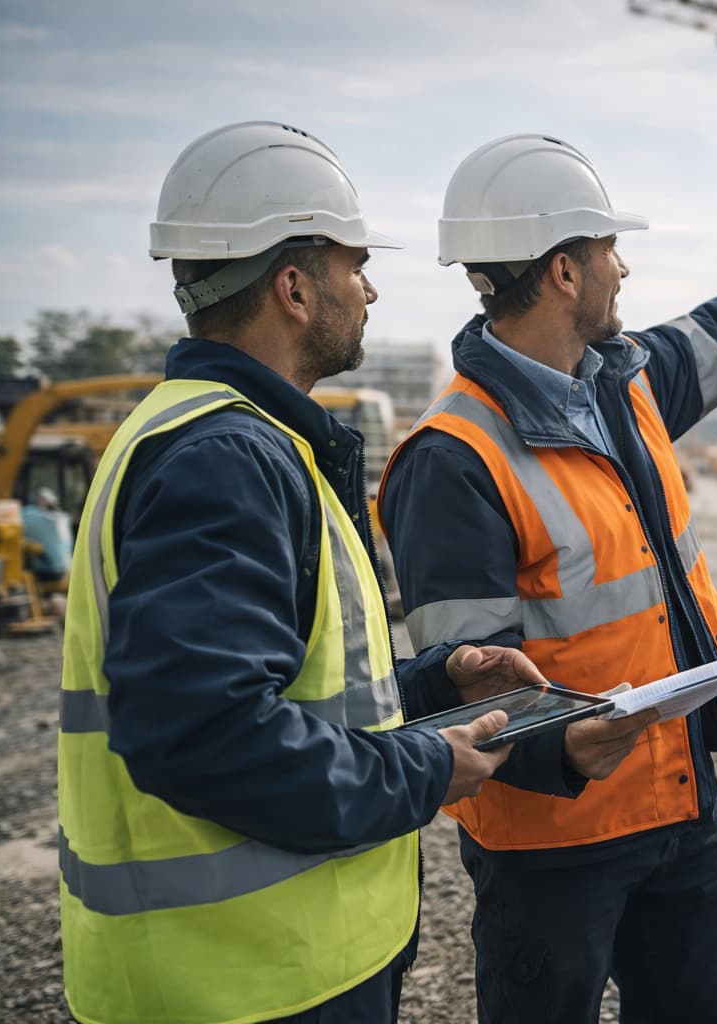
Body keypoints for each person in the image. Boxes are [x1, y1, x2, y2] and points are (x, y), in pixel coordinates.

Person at [378, 133, 717, 1024]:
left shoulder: (625, 387)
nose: (622, 270)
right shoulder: (454, 458)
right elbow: (464, 678)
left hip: (675, 804)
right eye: (607, 251)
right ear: (563, 271)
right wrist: (558, 748)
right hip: (557, 843)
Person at [57, 122, 542, 1024]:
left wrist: (432, 683)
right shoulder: (227, 458)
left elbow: (283, 690)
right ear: (292, 287)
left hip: (262, 972)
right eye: (354, 266)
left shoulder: (208, 434)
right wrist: (423, 769)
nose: (370, 289)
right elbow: (203, 734)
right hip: (244, 986)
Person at [21, 485, 72, 582]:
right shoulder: (64, 519)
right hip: (66, 569)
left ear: (38, 502)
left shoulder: (28, 515)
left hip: (44, 573)